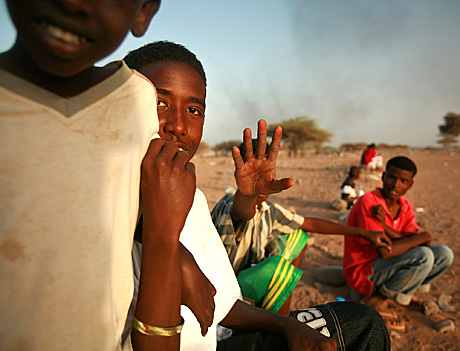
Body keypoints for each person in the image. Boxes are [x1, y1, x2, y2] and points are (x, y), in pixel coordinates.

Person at [123, 41, 391, 351]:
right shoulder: (101, 200)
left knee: (362, 323)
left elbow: (222, 302)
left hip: (218, 342)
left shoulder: (192, 198)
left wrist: (288, 326)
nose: (179, 126)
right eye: (159, 103)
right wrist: (172, 252)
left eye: (193, 110)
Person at [0, 1, 184, 350]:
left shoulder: (135, 99)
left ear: (143, 11)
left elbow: (132, 210)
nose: (73, 2)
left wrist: (178, 256)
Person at [211, 142, 391, 316]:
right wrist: (248, 192)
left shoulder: (269, 209)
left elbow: (310, 223)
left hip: (247, 274)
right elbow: (243, 212)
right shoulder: (229, 203)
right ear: (240, 173)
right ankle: (281, 323)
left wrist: (365, 233)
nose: (263, 177)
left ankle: (281, 294)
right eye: (254, 172)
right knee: (277, 269)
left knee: (297, 236)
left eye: (267, 170)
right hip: (224, 288)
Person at [343, 156, 454, 307]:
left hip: (389, 263)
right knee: (423, 255)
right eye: (392, 178)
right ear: (383, 176)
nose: (396, 185)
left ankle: (406, 290)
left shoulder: (405, 206)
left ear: (410, 184)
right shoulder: (369, 202)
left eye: (403, 181)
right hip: (365, 270)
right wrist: (423, 237)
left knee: (444, 254)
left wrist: (388, 228)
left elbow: (411, 239)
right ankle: (380, 298)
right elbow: (385, 252)